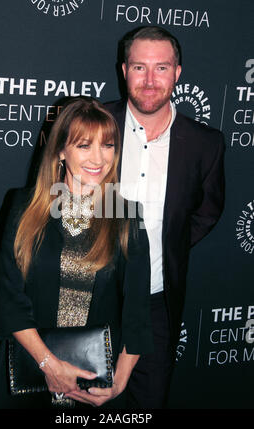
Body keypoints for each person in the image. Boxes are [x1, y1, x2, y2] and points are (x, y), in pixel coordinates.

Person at [0, 97, 154, 409]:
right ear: (61, 151)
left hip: (95, 388)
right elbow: (9, 300)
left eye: (107, 145)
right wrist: (49, 365)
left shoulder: (127, 216)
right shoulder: (23, 207)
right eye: (83, 145)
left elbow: (138, 313)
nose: (97, 158)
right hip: (27, 376)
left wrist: (119, 381)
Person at [105, 26, 225, 408]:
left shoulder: (206, 143)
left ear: (177, 73)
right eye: (140, 67)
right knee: (77, 404)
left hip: (156, 304)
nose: (150, 80)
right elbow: (57, 200)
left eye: (162, 68)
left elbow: (208, 211)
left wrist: (163, 244)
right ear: (124, 70)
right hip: (88, 298)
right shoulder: (91, 126)